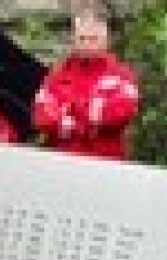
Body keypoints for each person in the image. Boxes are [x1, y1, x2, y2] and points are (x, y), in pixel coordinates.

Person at [33, 10, 139, 161]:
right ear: (73, 40)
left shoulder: (120, 75)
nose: (87, 45)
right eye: (82, 39)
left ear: (105, 40)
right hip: (63, 162)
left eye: (93, 39)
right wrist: (91, 115)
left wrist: (70, 116)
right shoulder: (57, 75)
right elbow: (42, 117)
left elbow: (122, 112)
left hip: (106, 163)